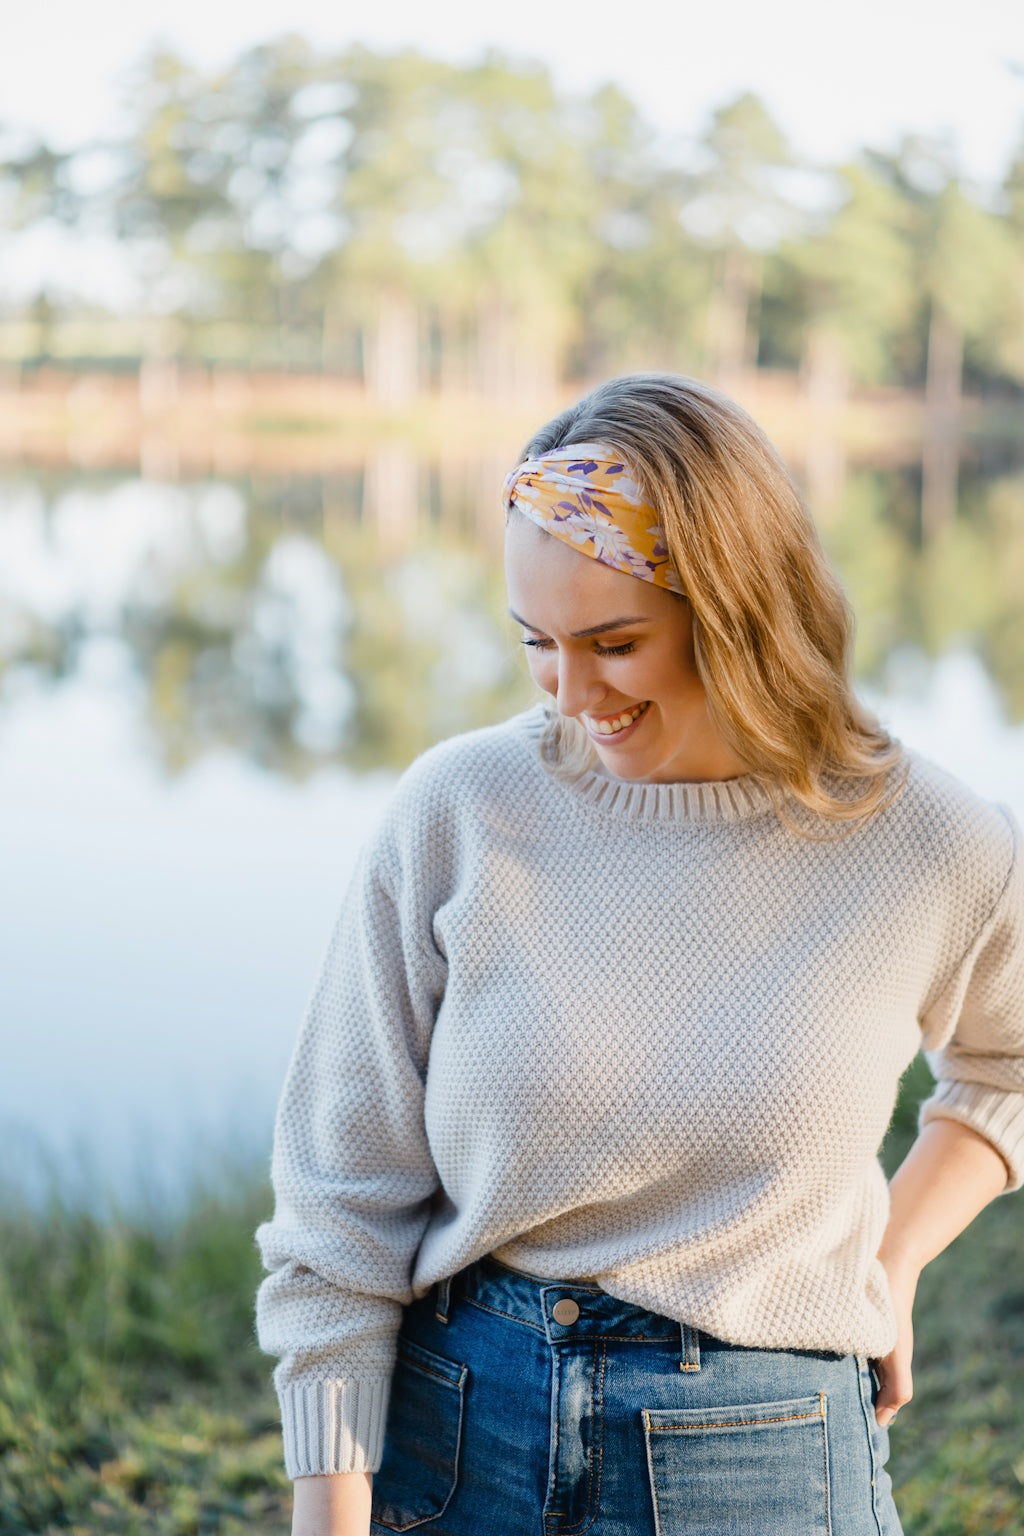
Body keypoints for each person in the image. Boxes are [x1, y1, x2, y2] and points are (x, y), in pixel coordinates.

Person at [256, 373, 1024, 1536]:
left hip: (763, 1450)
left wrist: (895, 1251)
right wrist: (329, 1497)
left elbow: (1006, 1063)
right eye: (536, 643)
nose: (571, 694)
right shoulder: (459, 809)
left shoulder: (926, 840)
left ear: (736, 609)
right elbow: (340, 1188)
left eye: (613, 643)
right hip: (457, 1425)